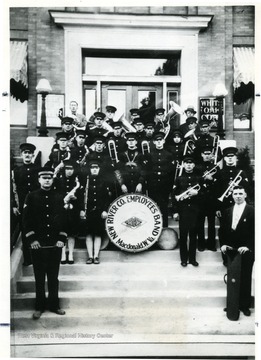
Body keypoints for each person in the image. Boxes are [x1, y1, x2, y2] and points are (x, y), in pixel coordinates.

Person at [22, 167, 67, 319]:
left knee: (53, 277)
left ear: (52, 180)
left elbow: (64, 219)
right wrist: (32, 239)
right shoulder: (31, 196)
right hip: (38, 245)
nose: (47, 180)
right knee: (39, 277)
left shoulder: (59, 196)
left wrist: (61, 238)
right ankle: (39, 307)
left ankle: (54, 305)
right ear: (39, 180)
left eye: (49, 178)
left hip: (55, 244)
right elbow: (26, 221)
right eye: (44, 178)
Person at [220, 186, 254, 316]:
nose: (238, 196)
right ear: (232, 195)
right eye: (235, 194)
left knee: (245, 277)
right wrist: (223, 244)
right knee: (232, 278)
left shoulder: (252, 211)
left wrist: (248, 246)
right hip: (231, 251)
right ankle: (232, 304)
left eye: (240, 193)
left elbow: (255, 231)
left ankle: (244, 306)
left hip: (246, 250)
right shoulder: (228, 211)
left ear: (245, 195)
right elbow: (222, 230)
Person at [11, 143, 39, 265]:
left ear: (33, 155)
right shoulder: (16, 171)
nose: (27, 155)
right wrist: (14, 205)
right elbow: (12, 189)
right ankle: (28, 259)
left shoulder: (38, 169)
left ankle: (39, 258)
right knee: (25, 231)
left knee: (38, 230)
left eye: (29, 153)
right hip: (22, 206)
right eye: (25, 153)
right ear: (22, 155)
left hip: (37, 205)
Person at [79, 159, 111, 264]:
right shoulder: (85, 180)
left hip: (99, 211)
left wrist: (105, 210)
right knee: (88, 234)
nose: (94, 170)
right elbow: (81, 197)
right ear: (90, 169)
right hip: (88, 211)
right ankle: (90, 256)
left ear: (99, 169)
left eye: (96, 168)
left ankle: (96, 256)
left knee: (97, 234)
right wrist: (82, 210)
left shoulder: (103, 181)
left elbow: (106, 198)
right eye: (92, 168)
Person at [172, 155, 203, 267]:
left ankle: (192, 259)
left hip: (195, 211)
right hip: (183, 211)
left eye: (191, 163)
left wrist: (198, 193)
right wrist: (175, 211)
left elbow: (205, 194)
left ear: (194, 165)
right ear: (183, 165)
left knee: (194, 236)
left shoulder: (199, 178)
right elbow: (174, 196)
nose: (189, 165)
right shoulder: (179, 179)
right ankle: (184, 259)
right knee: (184, 236)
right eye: (186, 163)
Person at [54, 160, 81, 264]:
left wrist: (74, 198)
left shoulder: (76, 182)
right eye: (67, 169)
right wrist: (63, 201)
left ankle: (70, 255)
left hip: (72, 210)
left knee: (71, 233)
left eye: (71, 169)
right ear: (64, 170)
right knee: (62, 232)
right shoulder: (58, 180)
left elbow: (81, 196)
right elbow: (55, 193)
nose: (69, 171)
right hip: (61, 209)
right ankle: (62, 255)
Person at [146, 132, 174, 227]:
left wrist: (169, 186)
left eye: (160, 140)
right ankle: (152, 228)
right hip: (152, 185)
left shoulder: (169, 155)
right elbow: (147, 170)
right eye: (157, 140)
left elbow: (171, 172)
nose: (159, 142)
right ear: (154, 142)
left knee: (164, 207)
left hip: (164, 184)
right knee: (152, 207)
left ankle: (164, 228)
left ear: (164, 141)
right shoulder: (150, 155)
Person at [196, 146, 219, 251]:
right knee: (200, 223)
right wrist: (202, 179)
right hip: (200, 199)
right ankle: (201, 244)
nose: (207, 155)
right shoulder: (197, 167)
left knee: (211, 223)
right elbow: (194, 182)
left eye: (209, 154)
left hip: (211, 199)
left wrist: (212, 179)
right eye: (205, 154)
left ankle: (211, 244)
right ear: (202, 155)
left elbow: (219, 183)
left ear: (212, 155)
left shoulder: (215, 167)